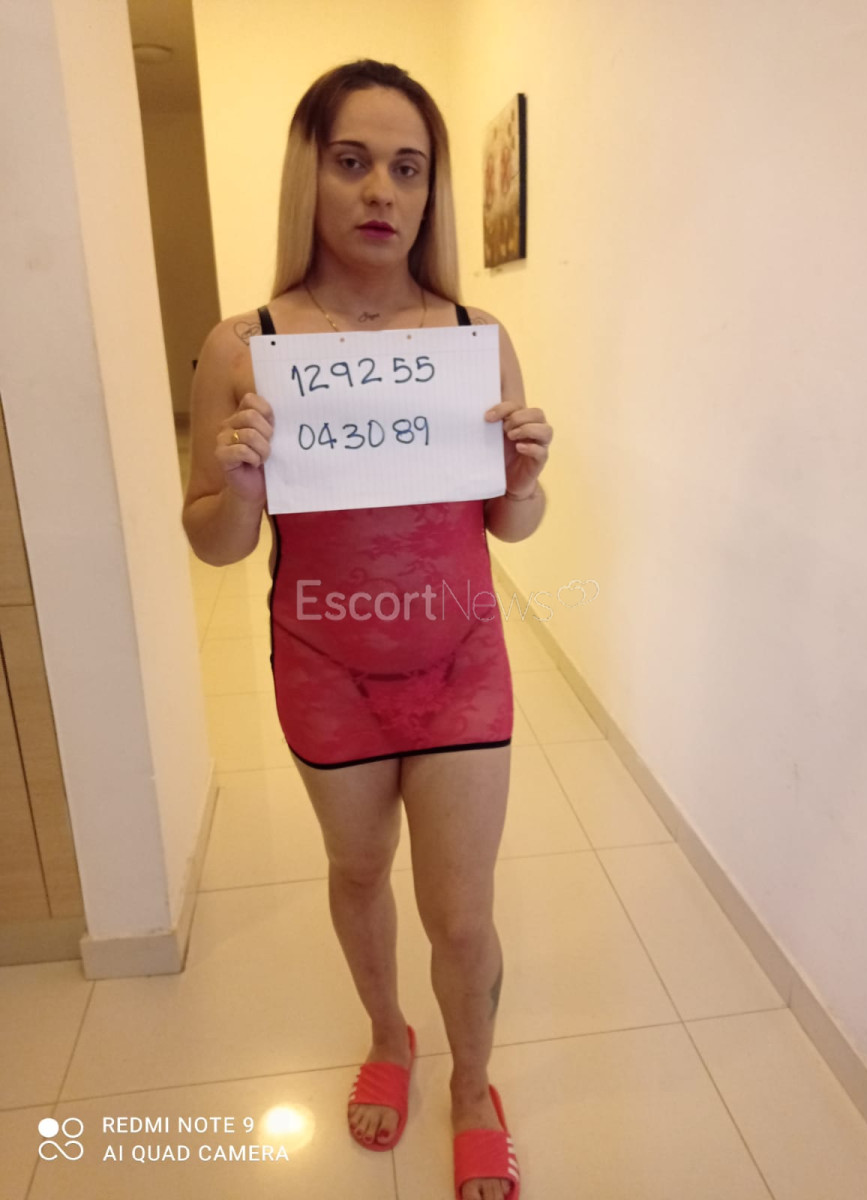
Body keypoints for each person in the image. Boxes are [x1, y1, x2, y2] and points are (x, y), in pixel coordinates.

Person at [182, 59, 551, 1200]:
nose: (381, 191)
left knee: (464, 914)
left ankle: (472, 1086)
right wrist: (239, 479)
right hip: (325, 666)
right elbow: (215, 544)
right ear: (311, 176)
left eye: (407, 167)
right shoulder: (243, 346)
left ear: (432, 191)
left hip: (459, 663)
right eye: (352, 163)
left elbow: (512, 522)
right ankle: (390, 1034)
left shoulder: (474, 337)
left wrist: (526, 474)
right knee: (356, 870)